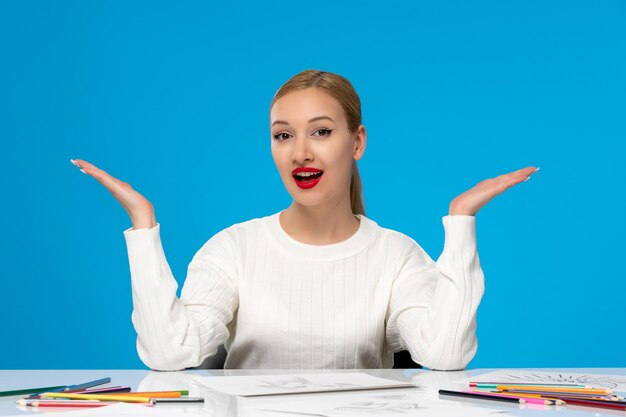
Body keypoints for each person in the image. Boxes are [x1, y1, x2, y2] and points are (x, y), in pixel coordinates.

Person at [71, 69, 539, 371]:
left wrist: (460, 222)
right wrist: (142, 225)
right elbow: (169, 353)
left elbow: (446, 355)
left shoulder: (395, 255)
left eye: (321, 132)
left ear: (357, 143)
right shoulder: (233, 248)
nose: (300, 152)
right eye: (283, 135)